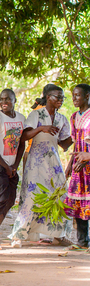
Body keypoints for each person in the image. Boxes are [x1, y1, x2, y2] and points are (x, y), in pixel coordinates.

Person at [9, 84, 73, 247]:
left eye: (62, 97)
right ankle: (19, 235)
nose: (60, 100)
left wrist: (78, 135)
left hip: (53, 161)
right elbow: (23, 136)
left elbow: (64, 144)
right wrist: (41, 128)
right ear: (47, 97)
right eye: (57, 96)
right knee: (32, 195)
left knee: (59, 194)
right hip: (36, 161)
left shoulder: (62, 118)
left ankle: (59, 234)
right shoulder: (36, 114)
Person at [0, 89, 26, 250]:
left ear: (15, 100)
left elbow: (21, 143)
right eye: (1, 99)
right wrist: (5, 166)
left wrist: (14, 165)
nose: (4, 101)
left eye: (8, 98)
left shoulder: (21, 118)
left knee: (9, 200)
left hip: (11, 166)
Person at [63, 84, 90, 249]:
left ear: (87, 96)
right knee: (79, 203)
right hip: (78, 168)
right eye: (73, 95)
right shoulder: (73, 117)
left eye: (78, 95)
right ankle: (82, 241)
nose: (74, 99)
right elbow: (76, 146)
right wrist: (68, 168)